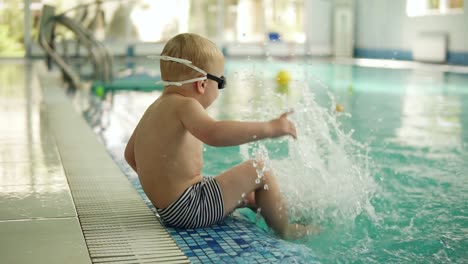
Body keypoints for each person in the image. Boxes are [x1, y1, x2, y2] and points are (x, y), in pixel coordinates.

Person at [124, 33, 314, 239]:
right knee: (260, 170)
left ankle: (278, 210)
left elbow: (130, 155)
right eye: (221, 82)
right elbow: (214, 133)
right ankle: (286, 230)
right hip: (189, 208)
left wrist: (162, 186)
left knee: (249, 195)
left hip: (170, 210)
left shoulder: (154, 108)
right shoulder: (186, 105)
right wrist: (270, 128)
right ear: (202, 84)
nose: (221, 89)